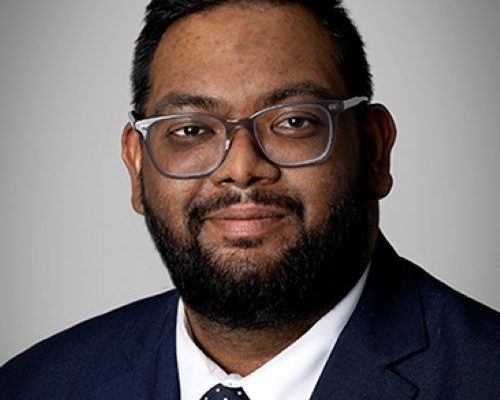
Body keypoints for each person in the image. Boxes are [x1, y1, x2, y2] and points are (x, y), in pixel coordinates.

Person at [1, 0, 499, 398]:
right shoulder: (34, 386)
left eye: (294, 121)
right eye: (191, 130)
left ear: (373, 150)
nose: (241, 167)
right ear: (137, 165)